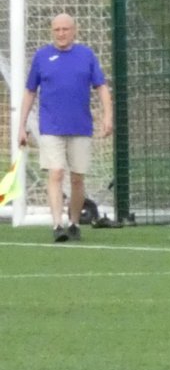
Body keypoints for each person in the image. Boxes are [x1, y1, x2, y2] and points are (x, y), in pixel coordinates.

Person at [18, 13, 111, 243]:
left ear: (74, 30)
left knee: (78, 178)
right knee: (56, 173)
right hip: (50, 127)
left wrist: (108, 116)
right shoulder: (42, 57)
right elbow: (30, 91)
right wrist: (21, 125)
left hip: (80, 126)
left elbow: (101, 87)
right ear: (52, 31)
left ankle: (74, 222)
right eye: (57, 29)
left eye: (65, 29)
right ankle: (57, 224)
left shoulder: (86, 55)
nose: (61, 33)